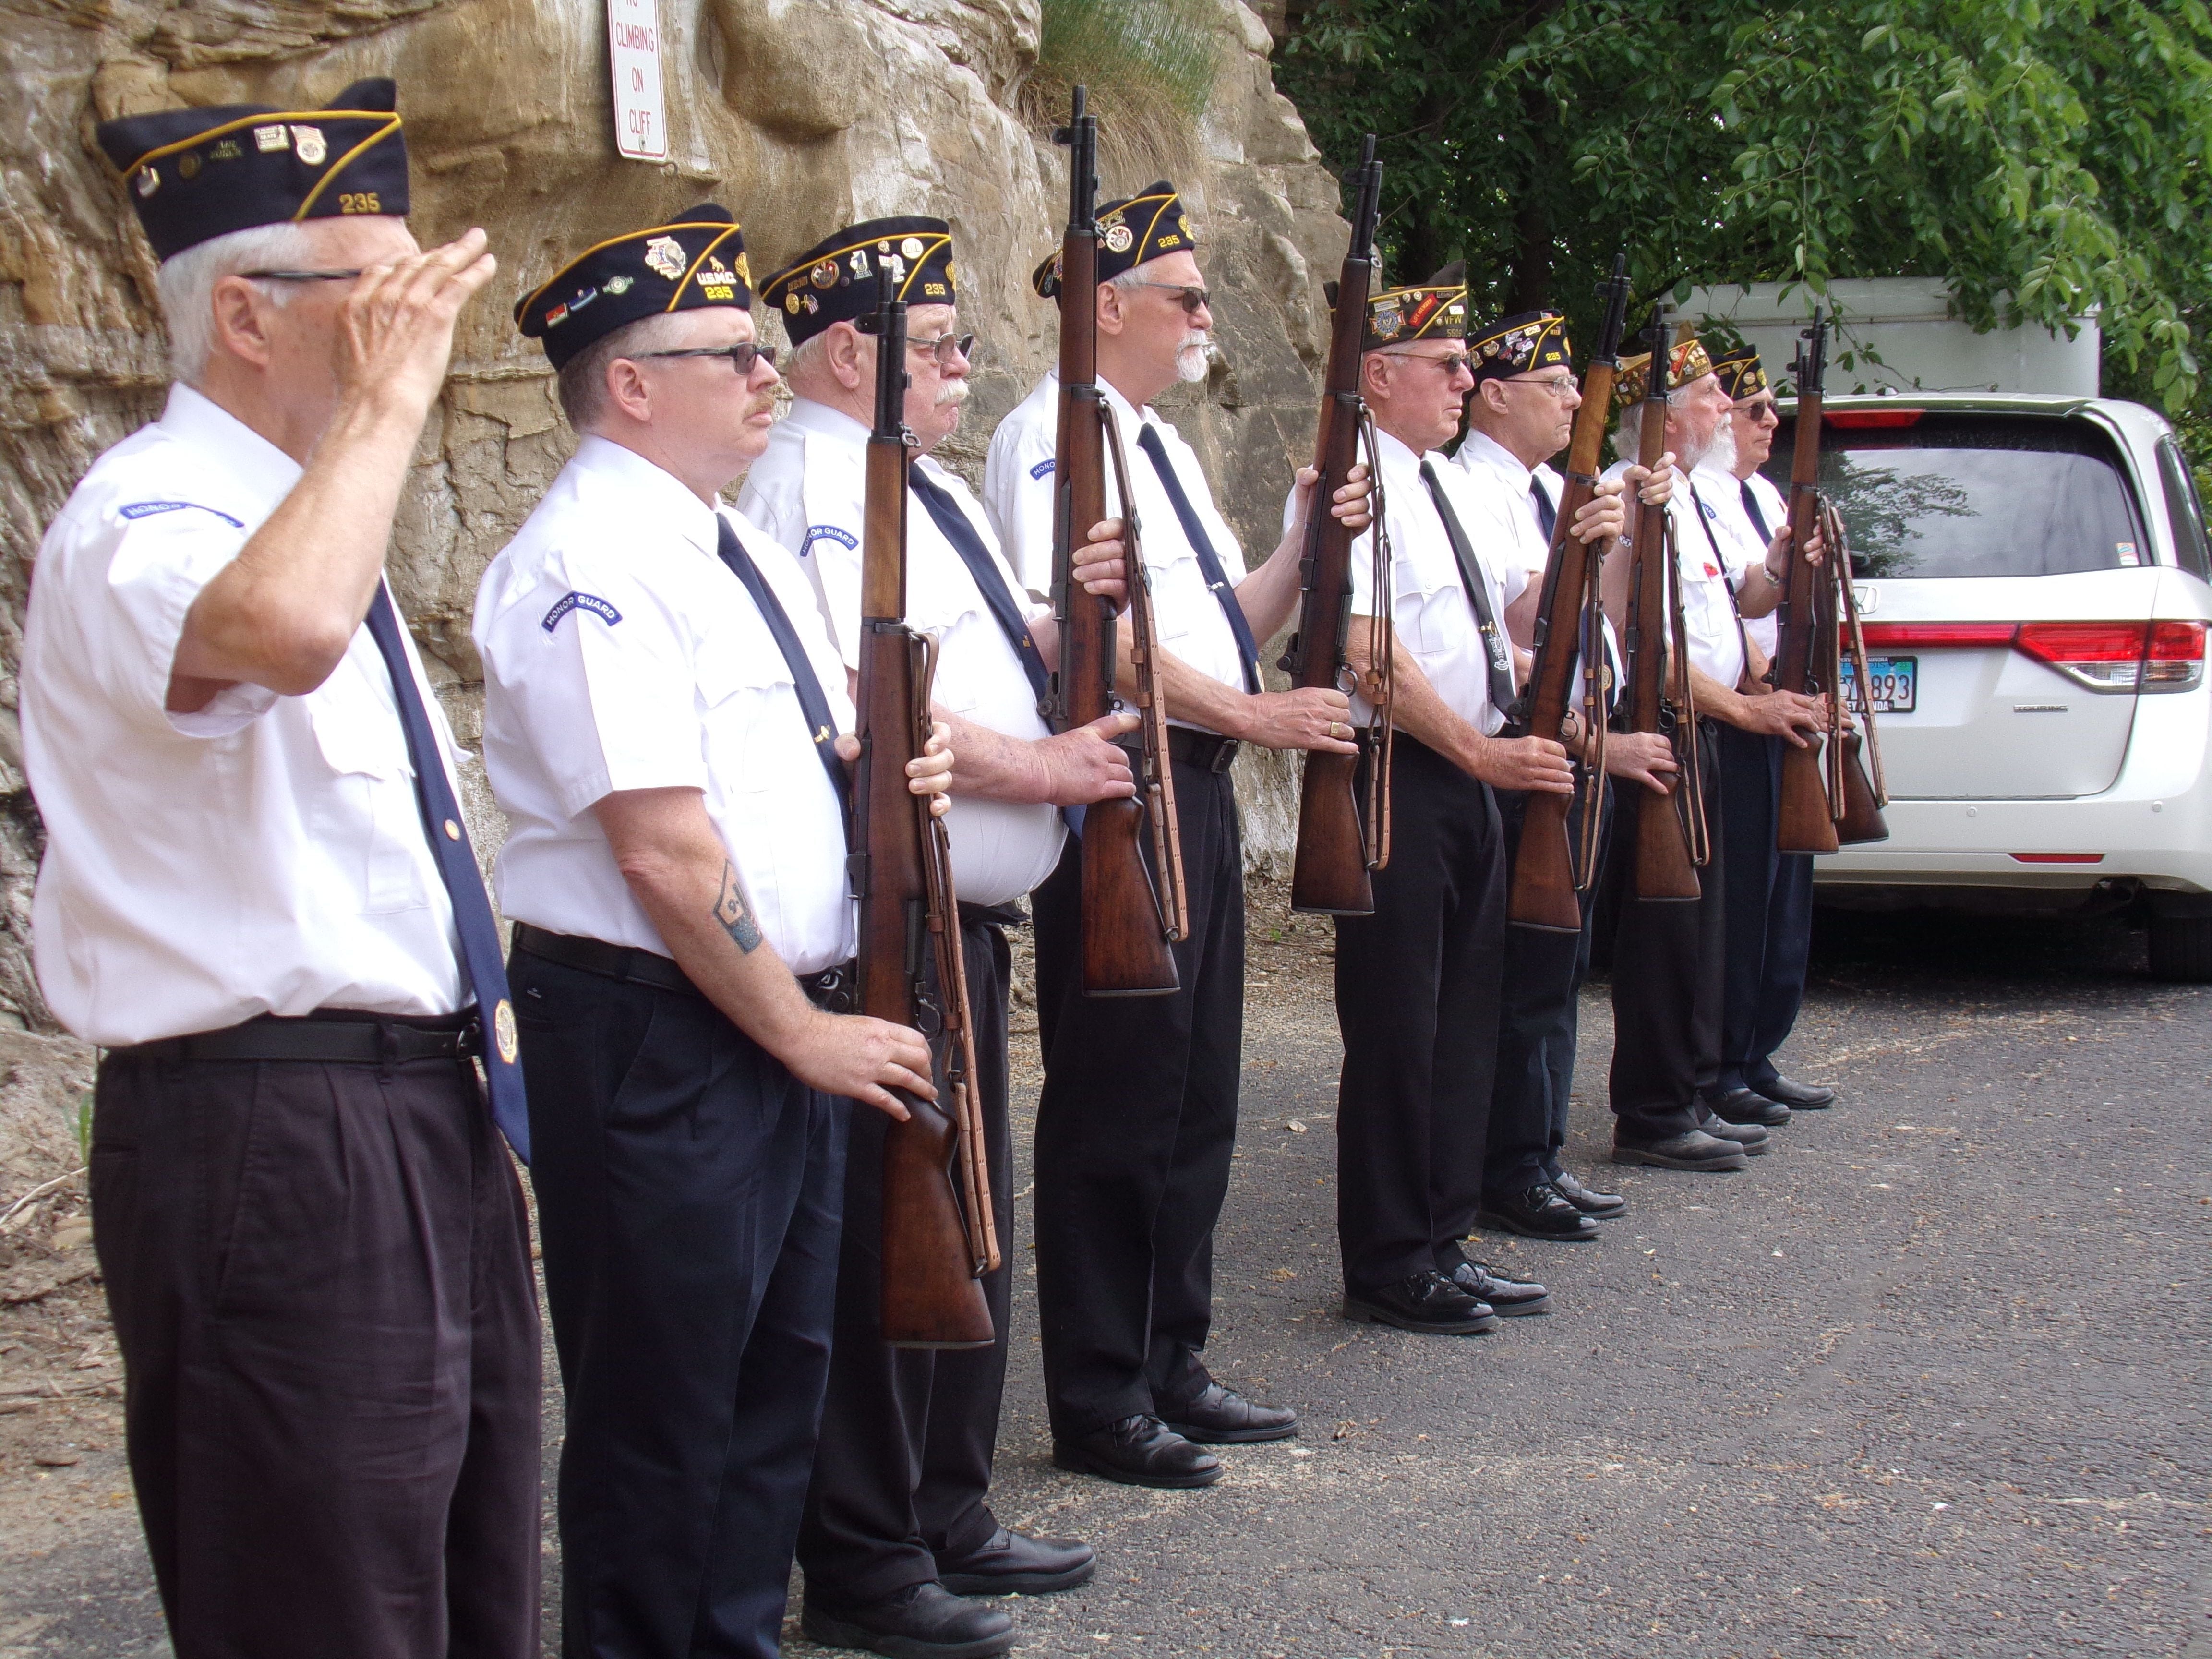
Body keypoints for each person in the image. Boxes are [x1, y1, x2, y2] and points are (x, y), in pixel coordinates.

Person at [24, 81, 541, 1657]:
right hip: (271, 1120)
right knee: (321, 1595)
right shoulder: (148, 514)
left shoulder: (301, 509)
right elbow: (281, 634)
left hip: (416, 1104)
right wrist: (385, 410)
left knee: (469, 1569)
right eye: (378, 298)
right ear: (245, 317)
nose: (417, 336)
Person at [476, 205, 954, 1659]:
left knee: (766, 1408)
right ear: (630, 386)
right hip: (665, 1036)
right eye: (731, 353)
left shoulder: (717, 545)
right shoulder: (594, 565)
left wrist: (898, 766)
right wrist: (802, 1028)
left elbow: (793, 767)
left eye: (761, 349)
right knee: (665, 1424)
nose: (769, 374)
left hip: (758, 1027)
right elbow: (664, 851)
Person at [743, 216, 1133, 1659]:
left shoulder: (908, 482)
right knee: (882, 1242)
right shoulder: (820, 485)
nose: (968, 360)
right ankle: (866, 1548)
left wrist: (1069, 621)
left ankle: (942, 1510)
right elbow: (877, 704)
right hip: (895, 921)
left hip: (960, 919)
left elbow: (982, 658)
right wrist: (1049, 772)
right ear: (855, 349)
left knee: (961, 1209)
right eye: (942, 339)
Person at [984, 181, 1371, 1487]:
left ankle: (1170, 1359)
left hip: (1192, 778)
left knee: (1198, 1090)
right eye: (1186, 296)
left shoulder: (1162, 444)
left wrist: (1301, 544)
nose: (1208, 316)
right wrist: (1262, 721)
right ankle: (1101, 1396)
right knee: (1118, 1098)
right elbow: (1106, 646)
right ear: (1109, 306)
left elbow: (1225, 621)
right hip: (1124, 789)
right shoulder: (1055, 437)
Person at [1309, 278, 1572, 1332]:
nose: (1470, 378)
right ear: (1379, 375)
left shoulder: (1440, 483)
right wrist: (1480, 754)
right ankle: (1388, 1258)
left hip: (1465, 770)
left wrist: (1594, 546)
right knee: (1398, 1031)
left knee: (1463, 1021)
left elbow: (1505, 611)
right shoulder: (1352, 481)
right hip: (1401, 777)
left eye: (1469, 364)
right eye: (1447, 363)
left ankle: (1443, 1236)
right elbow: (1367, 651)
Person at [1446, 301, 1675, 1237]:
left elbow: (1600, 627)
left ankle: (1536, 1147)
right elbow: (1520, 637)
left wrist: (1609, 544)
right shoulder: (1478, 490)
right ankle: (1507, 1165)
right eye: (1553, 384)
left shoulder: (1547, 492)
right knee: (1522, 973)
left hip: (1580, 736)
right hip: (1528, 745)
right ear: (1495, 397)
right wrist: (1580, 540)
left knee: (1561, 967)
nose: (1574, 399)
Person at [1597, 336, 1824, 1172]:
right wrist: (1748, 712)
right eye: (1709, 396)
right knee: (1669, 932)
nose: (1728, 409)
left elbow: (1727, 616)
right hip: (1670, 729)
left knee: (1711, 929)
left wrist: (1775, 570)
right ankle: (1658, 1106)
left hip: (1709, 728)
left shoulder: (1690, 499)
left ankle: (1691, 1091)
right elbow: (1644, 645)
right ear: (1656, 418)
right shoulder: (1632, 498)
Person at [1691, 343, 1837, 1121]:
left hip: (1782, 707)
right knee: (1742, 899)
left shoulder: (1767, 500)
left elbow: (1780, 605)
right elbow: (1726, 620)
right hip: (1740, 711)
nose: (1766, 422)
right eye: (1753, 409)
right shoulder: (1703, 498)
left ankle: (1757, 1048)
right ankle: (1725, 1059)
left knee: (1784, 897)